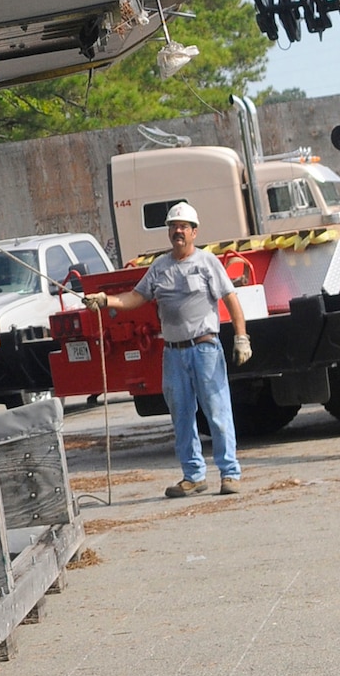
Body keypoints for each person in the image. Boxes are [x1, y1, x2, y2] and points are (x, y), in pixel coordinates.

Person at [90, 201, 251, 498]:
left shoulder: (207, 263)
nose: (178, 231)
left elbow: (231, 300)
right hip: (173, 352)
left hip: (204, 349)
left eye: (183, 227)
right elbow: (135, 298)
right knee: (181, 415)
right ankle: (193, 477)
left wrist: (242, 338)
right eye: (173, 227)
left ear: (194, 232)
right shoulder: (160, 267)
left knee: (217, 412)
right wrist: (106, 300)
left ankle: (229, 474)